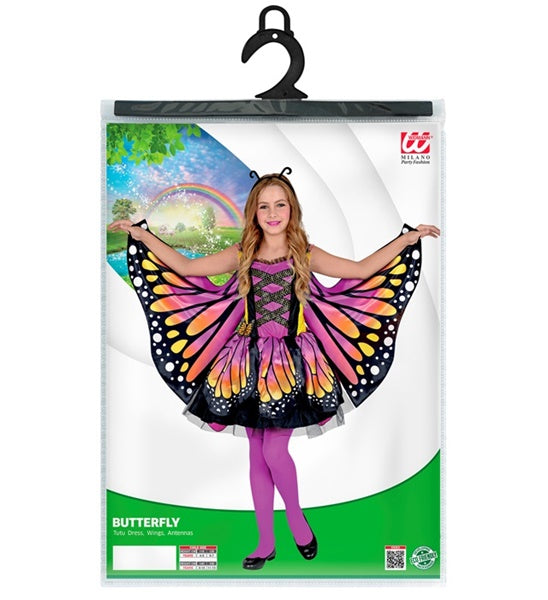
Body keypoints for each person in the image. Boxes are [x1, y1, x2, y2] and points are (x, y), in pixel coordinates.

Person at [108, 169, 440, 570]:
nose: (272, 213)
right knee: (257, 454)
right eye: (263, 206)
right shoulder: (242, 254)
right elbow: (186, 268)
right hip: (245, 363)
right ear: (253, 212)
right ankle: (265, 542)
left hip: (293, 364)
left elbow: (360, 271)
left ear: (292, 209)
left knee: (273, 449)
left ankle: (297, 522)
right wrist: (141, 235)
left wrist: (406, 239)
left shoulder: (305, 254)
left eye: (280, 204)